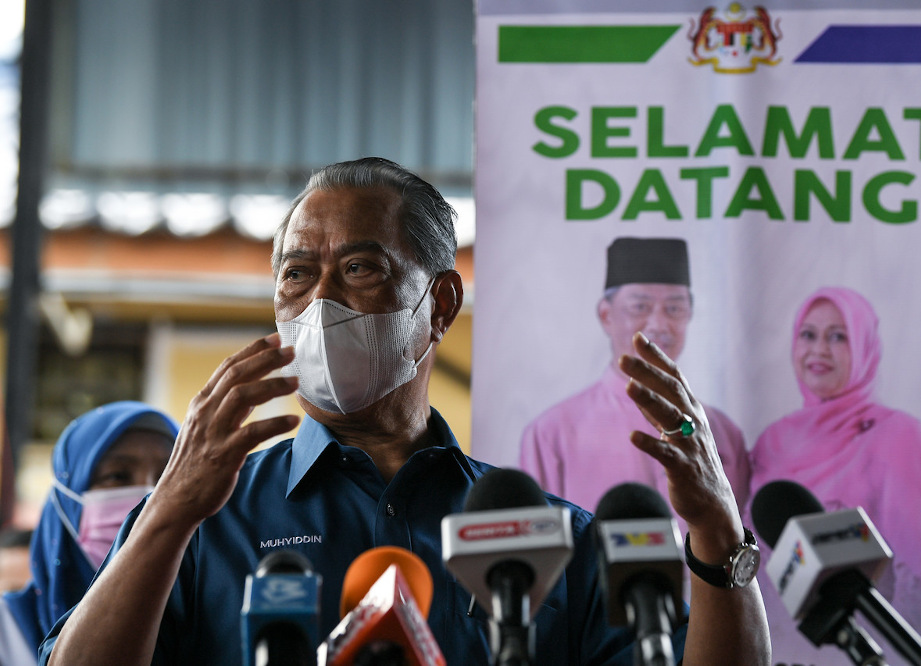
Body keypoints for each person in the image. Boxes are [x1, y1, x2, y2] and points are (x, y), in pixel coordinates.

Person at [41, 158, 769, 665]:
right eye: (297, 275)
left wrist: (716, 531)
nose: (320, 300)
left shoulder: (551, 538)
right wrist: (166, 512)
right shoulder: (200, 520)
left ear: (440, 304)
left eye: (359, 268)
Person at [748, 286, 921, 664]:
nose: (819, 349)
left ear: (865, 346)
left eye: (838, 336)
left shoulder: (899, 437)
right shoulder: (773, 441)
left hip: (863, 652)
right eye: (808, 334)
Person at [520, 237, 750, 521]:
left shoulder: (722, 432)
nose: (658, 324)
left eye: (674, 309)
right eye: (640, 307)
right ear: (606, 315)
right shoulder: (551, 432)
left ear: (689, 314)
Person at [0, 401, 178, 666]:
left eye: (167, 476)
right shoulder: (7, 629)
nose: (150, 496)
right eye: (118, 475)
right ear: (68, 501)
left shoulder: (211, 611)